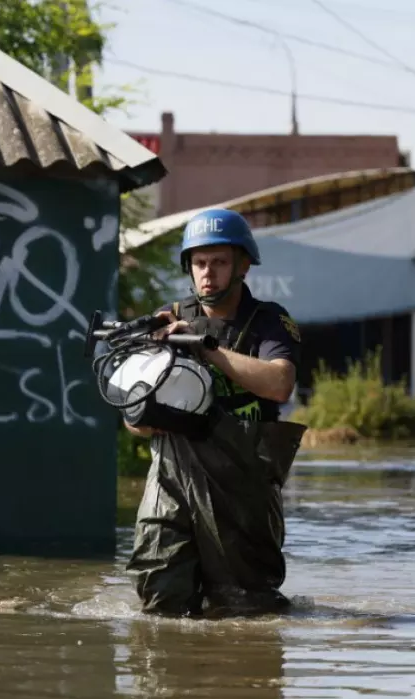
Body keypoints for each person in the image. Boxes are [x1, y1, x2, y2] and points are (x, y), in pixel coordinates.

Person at [124, 207, 306, 618]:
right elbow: (134, 424)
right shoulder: (169, 321)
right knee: (158, 590)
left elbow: (279, 383)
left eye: (219, 262)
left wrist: (205, 347)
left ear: (242, 265)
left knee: (243, 604)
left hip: (242, 480)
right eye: (200, 263)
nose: (208, 273)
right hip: (172, 475)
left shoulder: (269, 322)